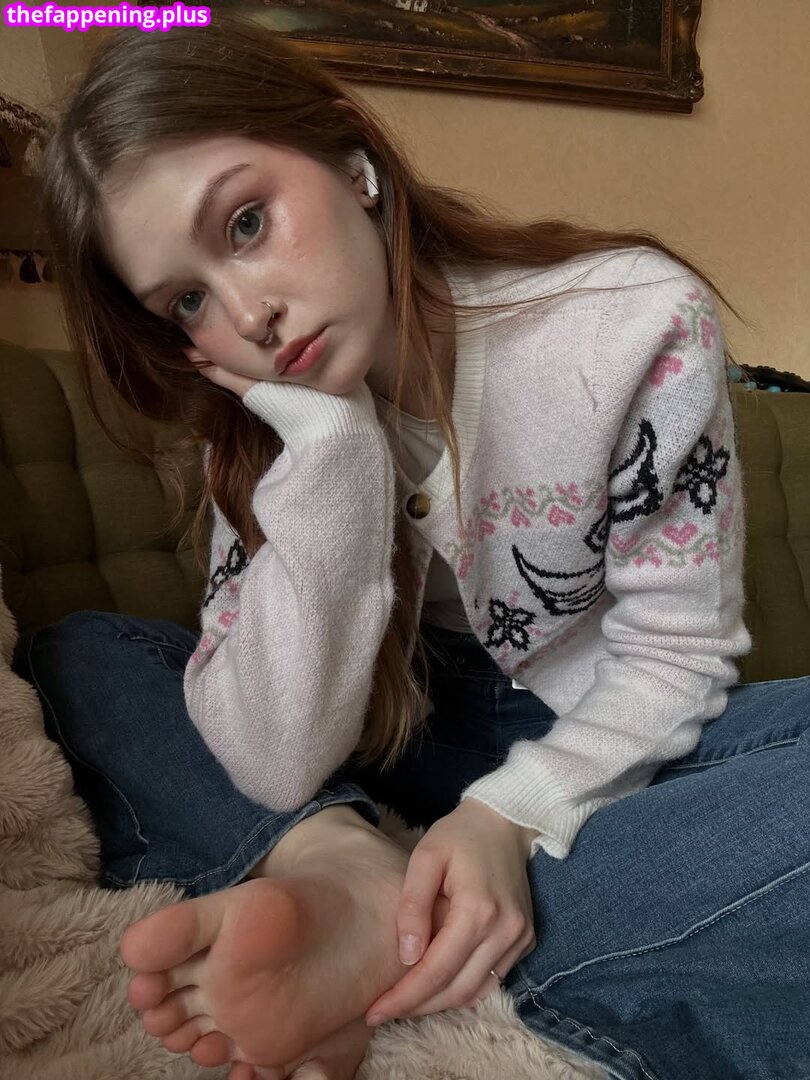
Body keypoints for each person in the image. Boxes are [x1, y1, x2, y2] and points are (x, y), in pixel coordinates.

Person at [26, 13, 809, 1080]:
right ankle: (347, 869)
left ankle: (403, 932)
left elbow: (676, 655)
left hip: (599, 729)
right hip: (391, 738)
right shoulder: (261, 435)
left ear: (352, 162)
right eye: (188, 300)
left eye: (247, 221)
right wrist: (334, 458)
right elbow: (277, 760)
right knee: (85, 656)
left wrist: (511, 817)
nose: (248, 315)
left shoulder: (632, 323)